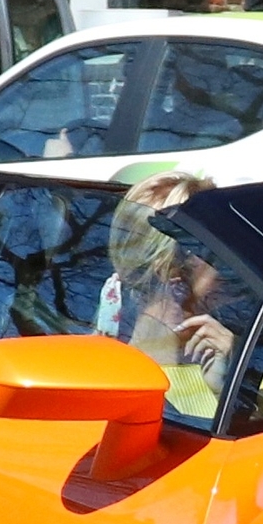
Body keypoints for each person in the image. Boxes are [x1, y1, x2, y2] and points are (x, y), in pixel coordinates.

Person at [93, 170, 238, 417]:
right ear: (174, 270)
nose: (232, 265)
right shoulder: (240, 361)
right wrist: (224, 394)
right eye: (215, 251)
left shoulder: (93, 365)